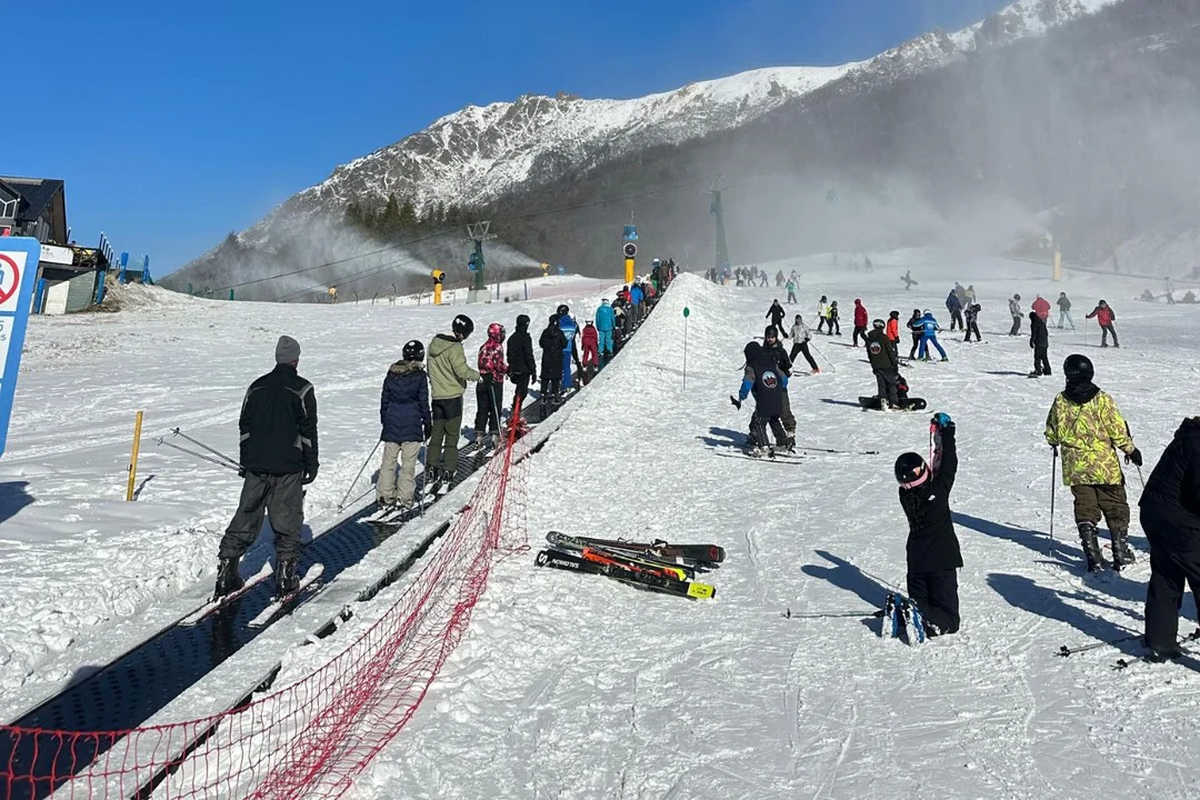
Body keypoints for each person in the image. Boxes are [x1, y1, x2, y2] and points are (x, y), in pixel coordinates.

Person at [215, 335, 318, 599]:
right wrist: (311, 463)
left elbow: (244, 428)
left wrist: (245, 460)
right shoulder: (303, 388)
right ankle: (286, 576)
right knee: (287, 519)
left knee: (246, 514)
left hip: (256, 465)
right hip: (288, 466)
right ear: (296, 359)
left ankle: (227, 571)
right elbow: (308, 431)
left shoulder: (255, 387)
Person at [1044, 354, 1141, 572]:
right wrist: (1131, 450)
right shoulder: (1102, 399)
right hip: (1104, 464)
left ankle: (1092, 553)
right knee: (1115, 504)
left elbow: (1052, 431)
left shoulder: (1061, 400)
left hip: (1076, 467)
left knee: (1085, 506)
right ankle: (1120, 550)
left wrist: (1053, 441)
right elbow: (1117, 430)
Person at [894, 412, 962, 636]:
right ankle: (910, 612)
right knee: (950, 620)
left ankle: (909, 612)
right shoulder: (938, 493)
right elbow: (949, 462)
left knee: (924, 605)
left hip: (916, 561)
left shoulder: (906, 495)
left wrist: (939, 436)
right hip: (940, 562)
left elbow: (934, 472)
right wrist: (947, 432)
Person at [1140, 416, 1200, 661]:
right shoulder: (1197, 444)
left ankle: (1160, 641)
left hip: (1155, 514)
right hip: (1179, 522)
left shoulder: (1189, 438)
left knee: (1167, 575)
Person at [376, 340, 431, 514]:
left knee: (388, 463)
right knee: (408, 465)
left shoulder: (392, 373)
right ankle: (404, 498)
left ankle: (385, 496)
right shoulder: (420, 376)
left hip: (392, 424)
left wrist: (385, 420)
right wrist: (427, 422)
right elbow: (423, 402)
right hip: (412, 426)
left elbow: (384, 400)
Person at [427, 314, 480, 490]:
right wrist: (478, 377)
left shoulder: (433, 344)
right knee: (451, 436)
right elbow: (462, 371)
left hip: (437, 397)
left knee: (436, 435)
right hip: (453, 398)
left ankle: (431, 468)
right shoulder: (454, 347)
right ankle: (449, 469)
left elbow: (430, 370)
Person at [731, 341, 790, 456]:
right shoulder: (771, 362)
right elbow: (784, 380)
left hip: (763, 398)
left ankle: (764, 446)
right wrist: (776, 389)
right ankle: (783, 442)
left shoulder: (752, 367)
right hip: (777, 397)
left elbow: (747, 383)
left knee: (759, 422)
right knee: (773, 419)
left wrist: (741, 397)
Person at [763, 325, 796, 438]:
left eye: (772, 337)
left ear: (776, 337)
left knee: (784, 410)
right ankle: (757, 434)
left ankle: (790, 432)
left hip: (780, 387)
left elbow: (789, 368)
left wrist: (784, 378)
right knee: (765, 412)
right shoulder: (763, 351)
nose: (769, 339)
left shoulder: (781, 352)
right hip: (766, 387)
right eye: (768, 337)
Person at [866, 319, 901, 409]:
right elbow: (890, 351)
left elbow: (870, 354)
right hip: (887, 365)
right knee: (891, 383)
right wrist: (895, 363)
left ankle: (883, 401)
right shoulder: (884, 337)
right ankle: (894, 403)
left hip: (876, 365)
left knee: (881, 384)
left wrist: (873, 365)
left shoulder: (869, 338)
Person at [507, 314, 537, 413]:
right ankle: (516, 413)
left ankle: (515, 411)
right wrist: (533, 370)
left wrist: (511, 367)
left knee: (519, 391)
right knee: (522, 392)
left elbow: (509, 354)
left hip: (514, 368)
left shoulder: (512, 338)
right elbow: (529, 354)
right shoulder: (525, 338)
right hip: (524, 369)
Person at [539, 314, 567, 420]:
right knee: (556, 377)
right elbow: (564, 344)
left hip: (546, 357)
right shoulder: (559, 332)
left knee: (545, 377)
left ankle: (543, 394)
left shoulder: (545, 332)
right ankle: (555, 394)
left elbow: (541, 343)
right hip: (556, 358)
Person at [1029, 311, 1050, 377]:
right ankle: (1048, 371)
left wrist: (1032, 341)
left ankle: (1038, 371)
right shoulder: (1042, 322)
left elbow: (1034, 334)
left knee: (1037, 357)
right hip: (1045, 343)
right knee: (1044, 357)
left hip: (1039, 343)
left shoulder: (1034, 324)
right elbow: (1046, 333)